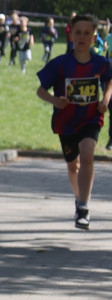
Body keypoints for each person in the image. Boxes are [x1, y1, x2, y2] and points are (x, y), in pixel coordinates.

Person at [35, 13, 112, 230]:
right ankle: (79, 199)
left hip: (90, 118)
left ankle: (84, 207)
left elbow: (109, 82)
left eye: (87, 33)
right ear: (71, 33)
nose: (82, 37)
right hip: (66, 121)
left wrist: (105, 100)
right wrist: (55, 101)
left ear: (93, 36)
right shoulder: (61, 64)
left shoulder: (101, 63)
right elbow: (40, 90)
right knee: (73, 166)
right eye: (78, 32)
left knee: (87, 156)